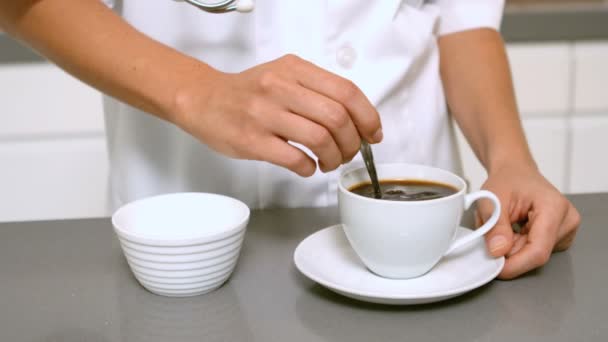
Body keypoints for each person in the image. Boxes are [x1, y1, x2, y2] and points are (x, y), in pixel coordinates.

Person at [0, 0, 580, 279]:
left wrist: (510, 158)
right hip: (191, 235)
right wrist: (195, 92)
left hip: (420, 244)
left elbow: (458, 16)